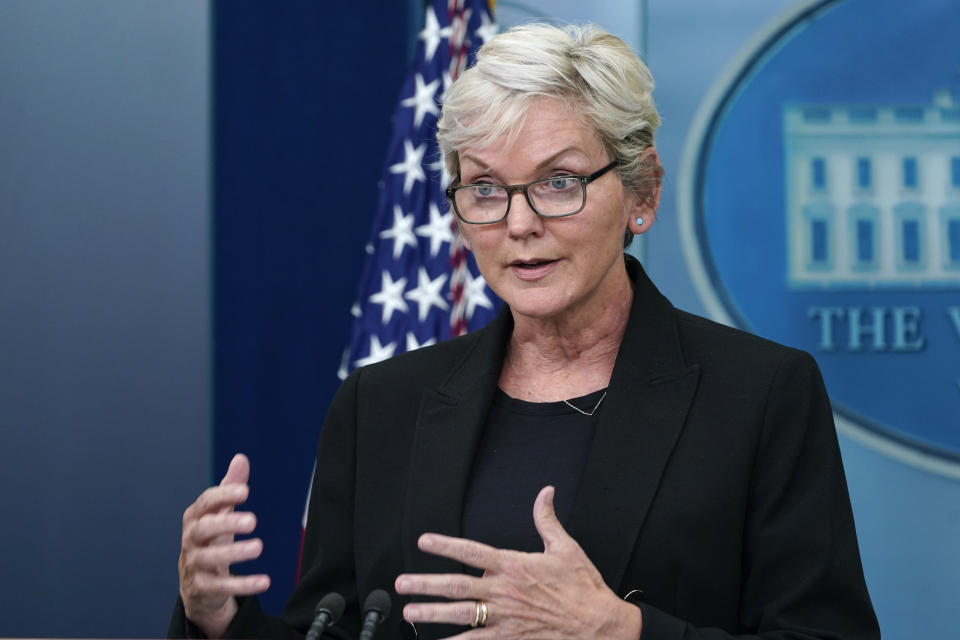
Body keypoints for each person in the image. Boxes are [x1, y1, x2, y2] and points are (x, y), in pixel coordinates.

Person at [171, 23, 880, 640]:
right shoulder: (380, 405)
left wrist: (624, 632)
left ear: (643, 193)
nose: (518, 224)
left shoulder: (757, 395)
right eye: (484, 188)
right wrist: (219, 621)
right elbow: (333, 630)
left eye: (559, 181)